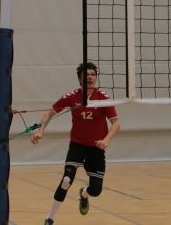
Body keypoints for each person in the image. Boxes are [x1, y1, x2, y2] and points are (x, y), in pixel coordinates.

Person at [32, 62, 120, 225]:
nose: (90, 77)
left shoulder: (103, 97)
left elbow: (116, 123)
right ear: (80, 79)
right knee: (66, 180)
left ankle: (84, 194)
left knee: (96, 190)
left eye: (93, 74)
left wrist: (106, 140)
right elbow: (48, 114)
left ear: (96, 78)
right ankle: (50, 218)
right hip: (77, 145)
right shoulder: (72, 96)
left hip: (96, 147)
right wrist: (40, 131)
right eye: (86, 75)